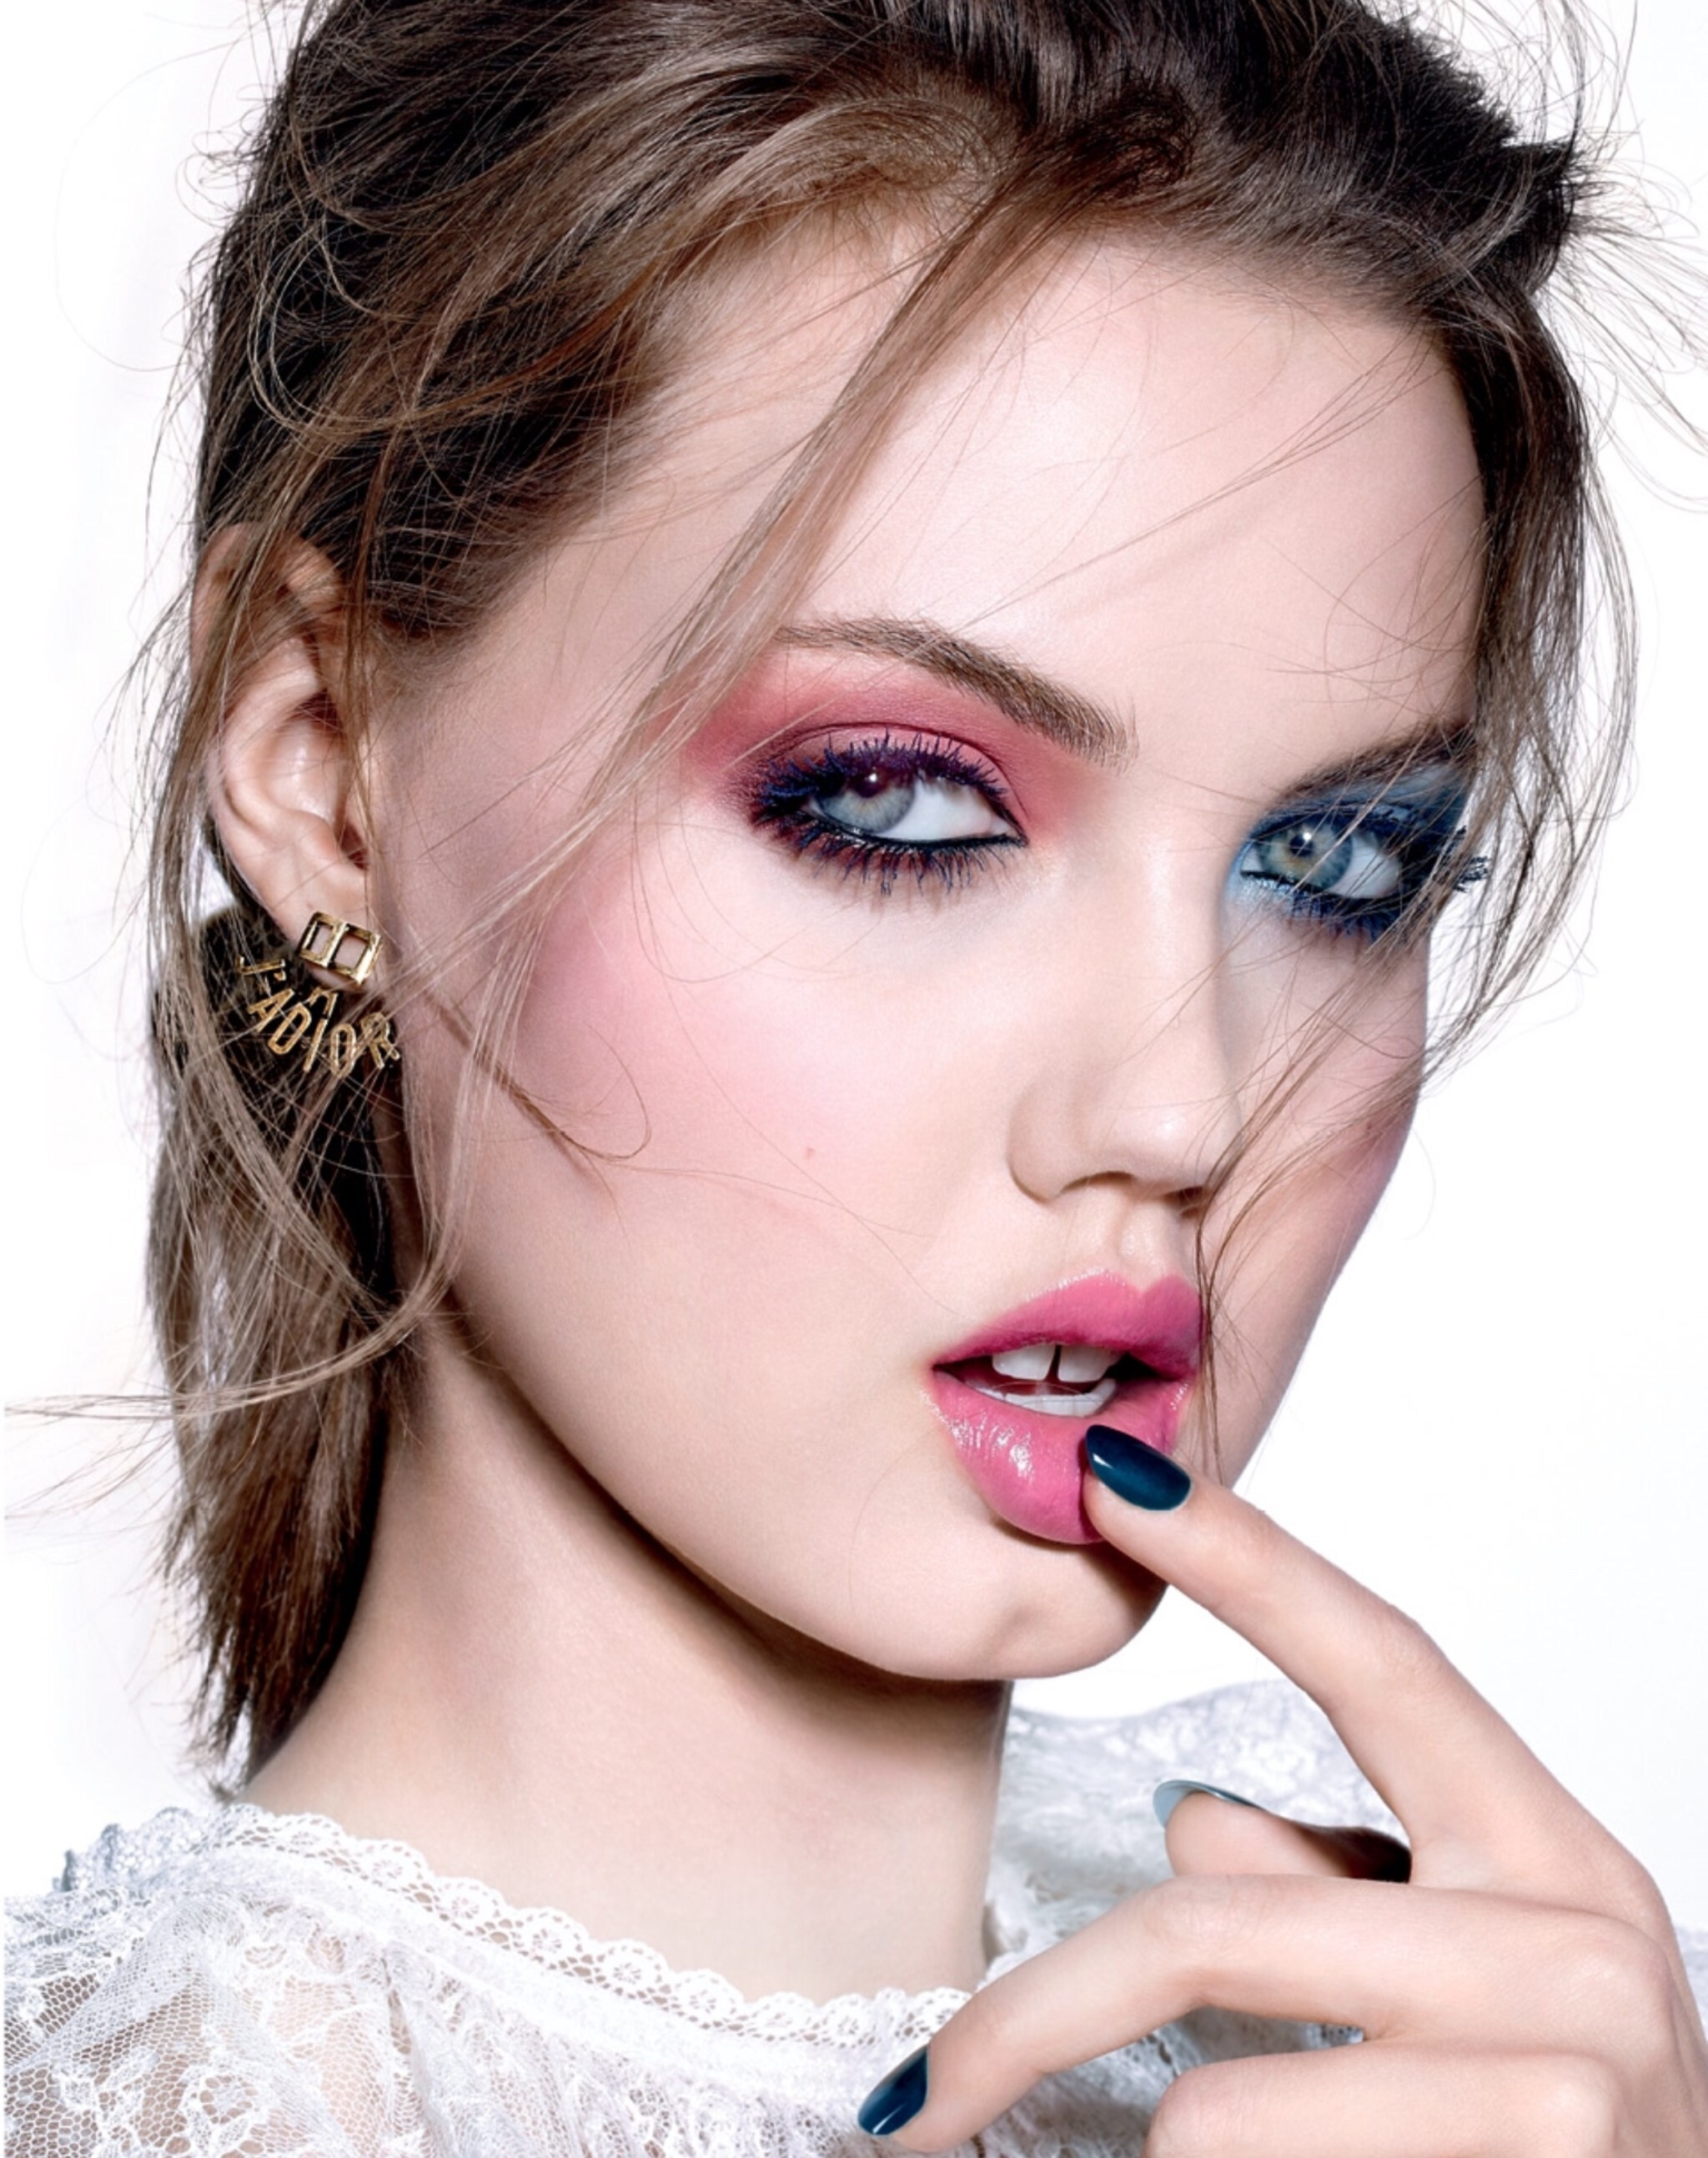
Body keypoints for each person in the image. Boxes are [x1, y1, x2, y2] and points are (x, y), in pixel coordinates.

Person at [8, 0, 1707, 2150]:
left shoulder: (1485, 2035)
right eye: (895, 807)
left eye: (1338, 863)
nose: (1183, 1115)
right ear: (328, 774)